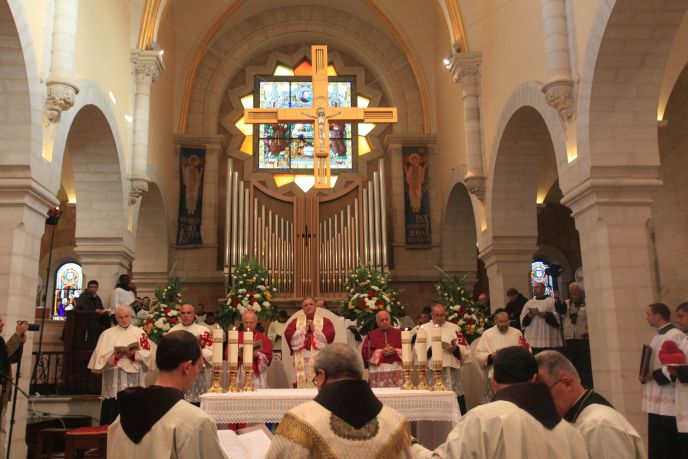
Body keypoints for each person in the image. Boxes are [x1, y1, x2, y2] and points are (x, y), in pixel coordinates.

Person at [412, 346, 588, 459]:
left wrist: (407, 443)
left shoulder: (483, 419)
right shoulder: (570, 432)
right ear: (534, 378)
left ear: (493, 381)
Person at [266, 343, 415, 458]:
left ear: (322, 376)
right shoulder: (396, 423)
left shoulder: (298, 423)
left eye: (315, 379)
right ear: (360, 373)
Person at [107, 330, 228, 458]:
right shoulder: (196, 422)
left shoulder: (119, 420)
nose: (197, 373)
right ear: (187, 368)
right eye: (199, 366)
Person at [536, 350, 646, 459]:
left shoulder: (599, 425)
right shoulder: (579, 417)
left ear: (567, 384)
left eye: (543, 392)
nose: (539, 401)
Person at [88, 305, 153, 425]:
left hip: (133, 379)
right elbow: (99, 357)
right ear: (116, 318)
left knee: (133, 418)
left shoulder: (140, 333)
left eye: (126, 316)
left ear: (131, 316)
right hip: (114, 378)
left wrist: (133, 354)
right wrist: (114, 357)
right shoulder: (107, 334)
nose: (124, 320)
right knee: (112, 415)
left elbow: (147, 354)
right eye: (121, 317)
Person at [640, 302, 687, 457]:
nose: (646, 318)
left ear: (658, 316)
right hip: (657, 397)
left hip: (669, 396)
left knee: (670, 444)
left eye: (648, 314)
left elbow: (677, 364)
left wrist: (653, 375)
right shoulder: (657, 337)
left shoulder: (676, 335)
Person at [474, 308, 530, 402]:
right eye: (501, 321)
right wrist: (491, 356)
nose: (504, 324)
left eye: (506, 321)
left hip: (514, 373)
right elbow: (479, 353)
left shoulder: (517, 333)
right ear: (495, 321)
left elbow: (526, 350)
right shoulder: (487, 334)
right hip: (495, 372)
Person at [427, 303, 471, 413]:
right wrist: (435, 347)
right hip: (433, 370)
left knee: (455, 397)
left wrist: (455, 348)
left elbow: (465, 348)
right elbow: (419, 350)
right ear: (431, 315)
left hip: (451, 369)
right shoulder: (424, 329)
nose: (440, 318)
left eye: (442, 315)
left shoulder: (454, 328)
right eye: (437, 315)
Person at [284, 297, 336, 387]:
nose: (308, 307)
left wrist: (315, 330)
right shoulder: (296, 322)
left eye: (311, 304)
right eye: (305, 305)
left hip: (319, 357)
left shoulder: (325, 321)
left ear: (315, 306)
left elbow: (330, 336)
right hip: (301, 357)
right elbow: (288, 334)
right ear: (302, 308)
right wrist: (303, 330)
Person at [168, 303, 212, 404]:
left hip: (197, 372)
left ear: (194, 315)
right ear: (180, 315)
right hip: (179, 372)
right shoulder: (173, 331)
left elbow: (210, 351)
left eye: (188, 313)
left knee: (198, 403)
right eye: (183, 313)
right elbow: (168, 352)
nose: (186, 315)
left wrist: (198, 346)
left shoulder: (203, 331)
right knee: (180, 402)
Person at [556, 282, 593, 388]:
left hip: (583, 339)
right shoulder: (567, 303)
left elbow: (594, 319)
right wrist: (556, 298)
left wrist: (589, 331)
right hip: (570, 339)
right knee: (572, 365)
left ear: (581, 291)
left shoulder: (587, 303)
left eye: (576, 290)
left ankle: (586, 385)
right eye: (572, 291)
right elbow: (559, 313)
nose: (574, 293)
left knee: (585, 365)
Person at [0, 319, 27, 459]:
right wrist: (17, 334)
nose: (3, 323)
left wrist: (20, 339)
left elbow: (9, 358)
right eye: (0, 321)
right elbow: (5, 355)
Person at [362, 310, 402, 387]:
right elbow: (365, 352)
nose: (385, 322)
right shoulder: (371, 335)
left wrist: (395, 351)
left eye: (386, 319)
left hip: (396, 368)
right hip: (378, 370)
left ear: (390, 319)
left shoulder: (399, 333)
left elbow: (407, 350)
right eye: (381, 320)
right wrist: (380, 353)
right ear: (377, 322)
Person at [519, 282, 562, 354]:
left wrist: (546, 315)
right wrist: (529, 315)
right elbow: (522, 318)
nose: (534, 289)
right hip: (533, 334)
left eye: (537, 287)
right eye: (534, 288)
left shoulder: (551, 301)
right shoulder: (529, 303)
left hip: (548, 333)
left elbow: (558, 315)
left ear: (543, 289)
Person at [237, 310, 273, 388]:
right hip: (240, 372)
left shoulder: (263, 338)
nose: (249, 325)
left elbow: (269, 357)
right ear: (243, 323)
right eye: (246, 322)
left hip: (256, 374)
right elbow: (228, 355)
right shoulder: (236, 337)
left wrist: (258, 355)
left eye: (251, 322)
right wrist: (237, 355)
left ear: (256, 323)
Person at [73, 279, 110, 347]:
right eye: (91, 287)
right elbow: (81, 308)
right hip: (86, 322)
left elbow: (100, 308)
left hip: (97, 321)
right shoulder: (83, 297)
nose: (93, 289)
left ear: (97, 288)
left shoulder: (97, 298)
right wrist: (95, 311)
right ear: (88, 288)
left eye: (94, 287)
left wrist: (104, 311)